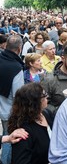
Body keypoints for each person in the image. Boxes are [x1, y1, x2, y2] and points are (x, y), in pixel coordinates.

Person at [8, 83, 54, 164]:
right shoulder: (24, 131)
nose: (47, 97)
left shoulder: (46, 113)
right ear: (34, 102)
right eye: (44, 95)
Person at [0, 35, 24, 164]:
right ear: (19, 49)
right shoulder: (16, 68)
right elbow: (18, 95)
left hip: (2, 107)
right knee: (9, 139)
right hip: (8, 110)